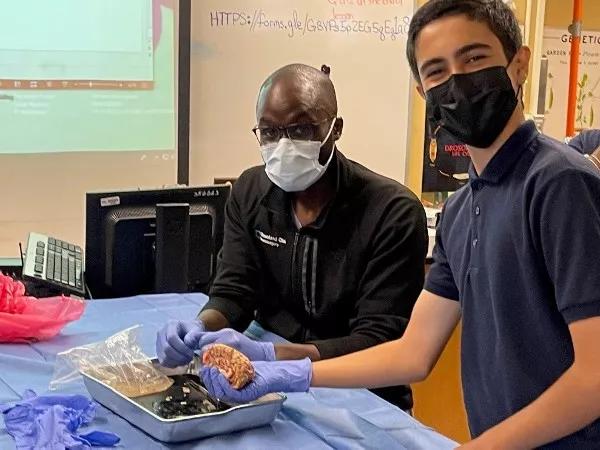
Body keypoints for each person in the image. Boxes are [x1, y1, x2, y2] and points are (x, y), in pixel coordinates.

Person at [199, 1, 600, 448]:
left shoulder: (561, 184)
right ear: (421, 90)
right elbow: (413, 353)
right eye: (436, 71)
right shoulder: (464, 207)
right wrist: (288, 370)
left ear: (519, 64)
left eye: (474, 58)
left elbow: (594, 377)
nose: (458, 83)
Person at [156, 63, 428, 411]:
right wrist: (199, 325)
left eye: (301, 129)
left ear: (335, 129)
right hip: (265, 385)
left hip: (362, 396)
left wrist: (275, 357)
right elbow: (234, 291)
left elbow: (378, 341)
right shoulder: (251, 192)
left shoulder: (391, 212)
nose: (284, 144)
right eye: (269, 132)